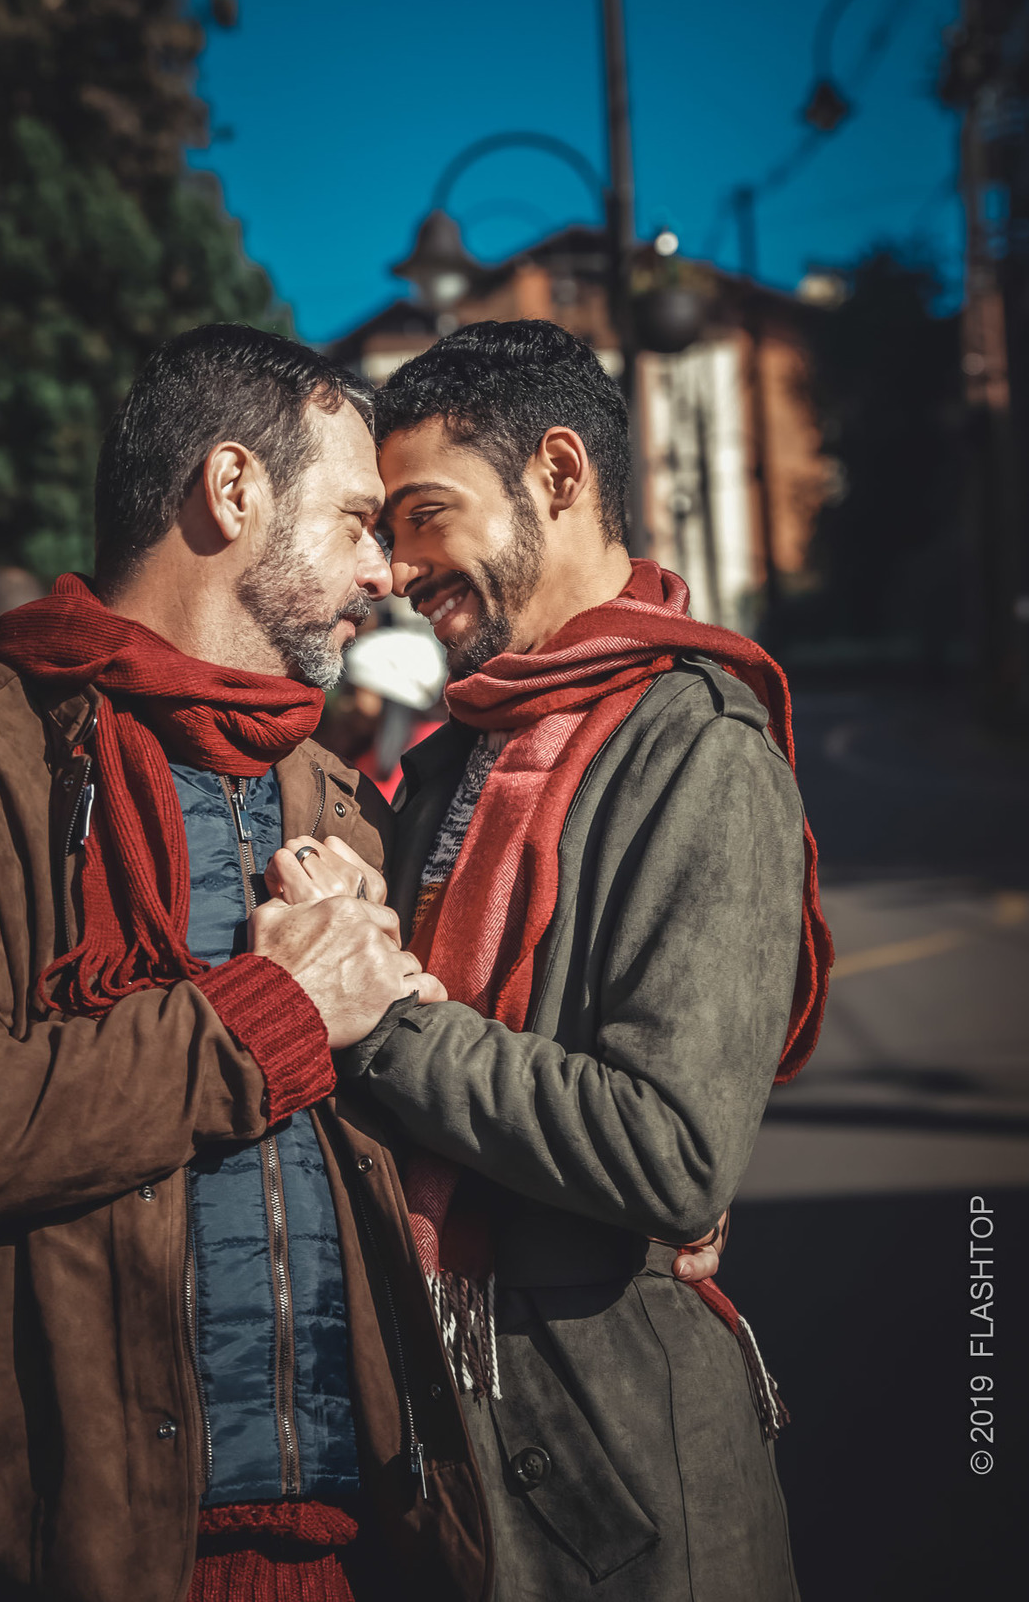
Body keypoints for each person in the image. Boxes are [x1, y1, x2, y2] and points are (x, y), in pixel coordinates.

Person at [0, 327, 493, 1602]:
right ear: (233, 489)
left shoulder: (341, 798)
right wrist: (278, 1013)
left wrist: (629, 1209)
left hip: (358, 1550)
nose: (387, 572)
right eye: (358, 520)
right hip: (68, 1553)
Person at [323, 319, 834, 1601]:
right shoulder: (456, 755)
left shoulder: (700, 755)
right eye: (385, 529)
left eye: (424, 514)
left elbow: (671, 1148)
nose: (395, 566)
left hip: (629, 1499)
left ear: (558, 472)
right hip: (459, 1462)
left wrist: (383, 1021)